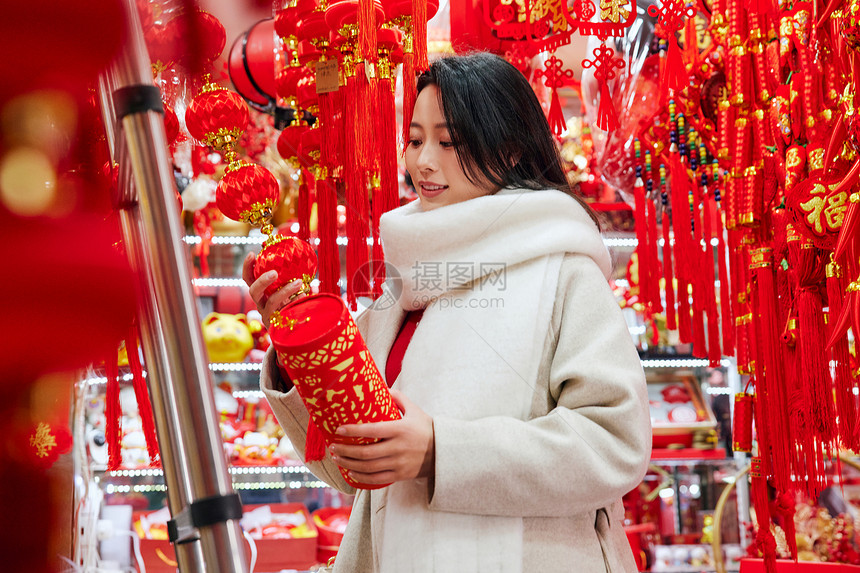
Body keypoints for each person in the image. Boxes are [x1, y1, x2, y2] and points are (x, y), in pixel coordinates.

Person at [243, 52, 651, 572]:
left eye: (448, 142)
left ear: (508, 150)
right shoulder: (408, 278)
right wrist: (295, 345)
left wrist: (441, 451)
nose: (422, 163)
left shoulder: (564, 268)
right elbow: (344, 462)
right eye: (414, 140)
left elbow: (615, 443)